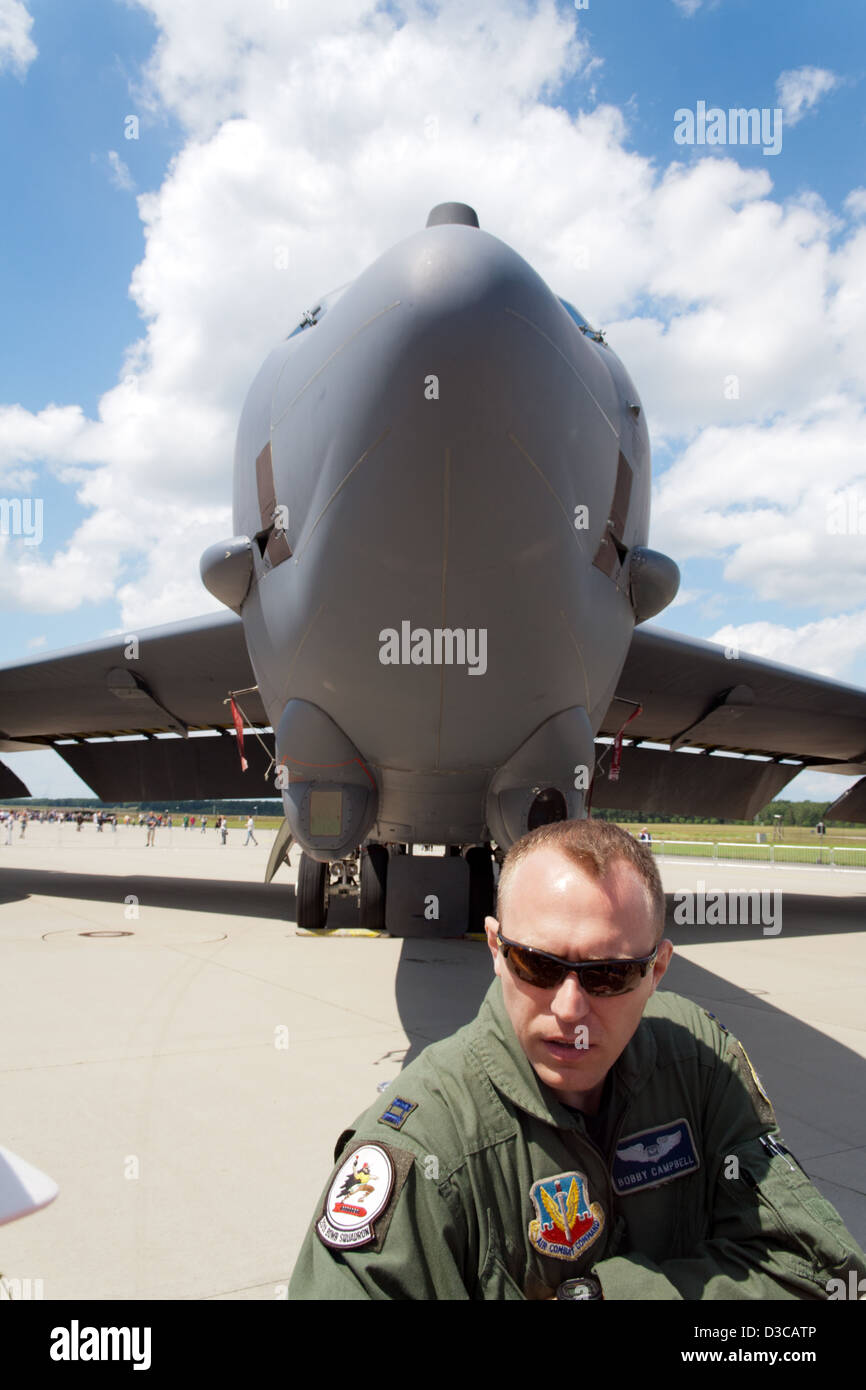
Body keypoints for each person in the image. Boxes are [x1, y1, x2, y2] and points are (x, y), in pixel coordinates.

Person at [289, 819, 866, 1300]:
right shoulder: (423, 1147)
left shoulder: (697, 1064)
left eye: (610, 974)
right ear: (496, 949)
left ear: (657, 970)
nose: (570, 1009)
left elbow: (827, 1278)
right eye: (537, 966)